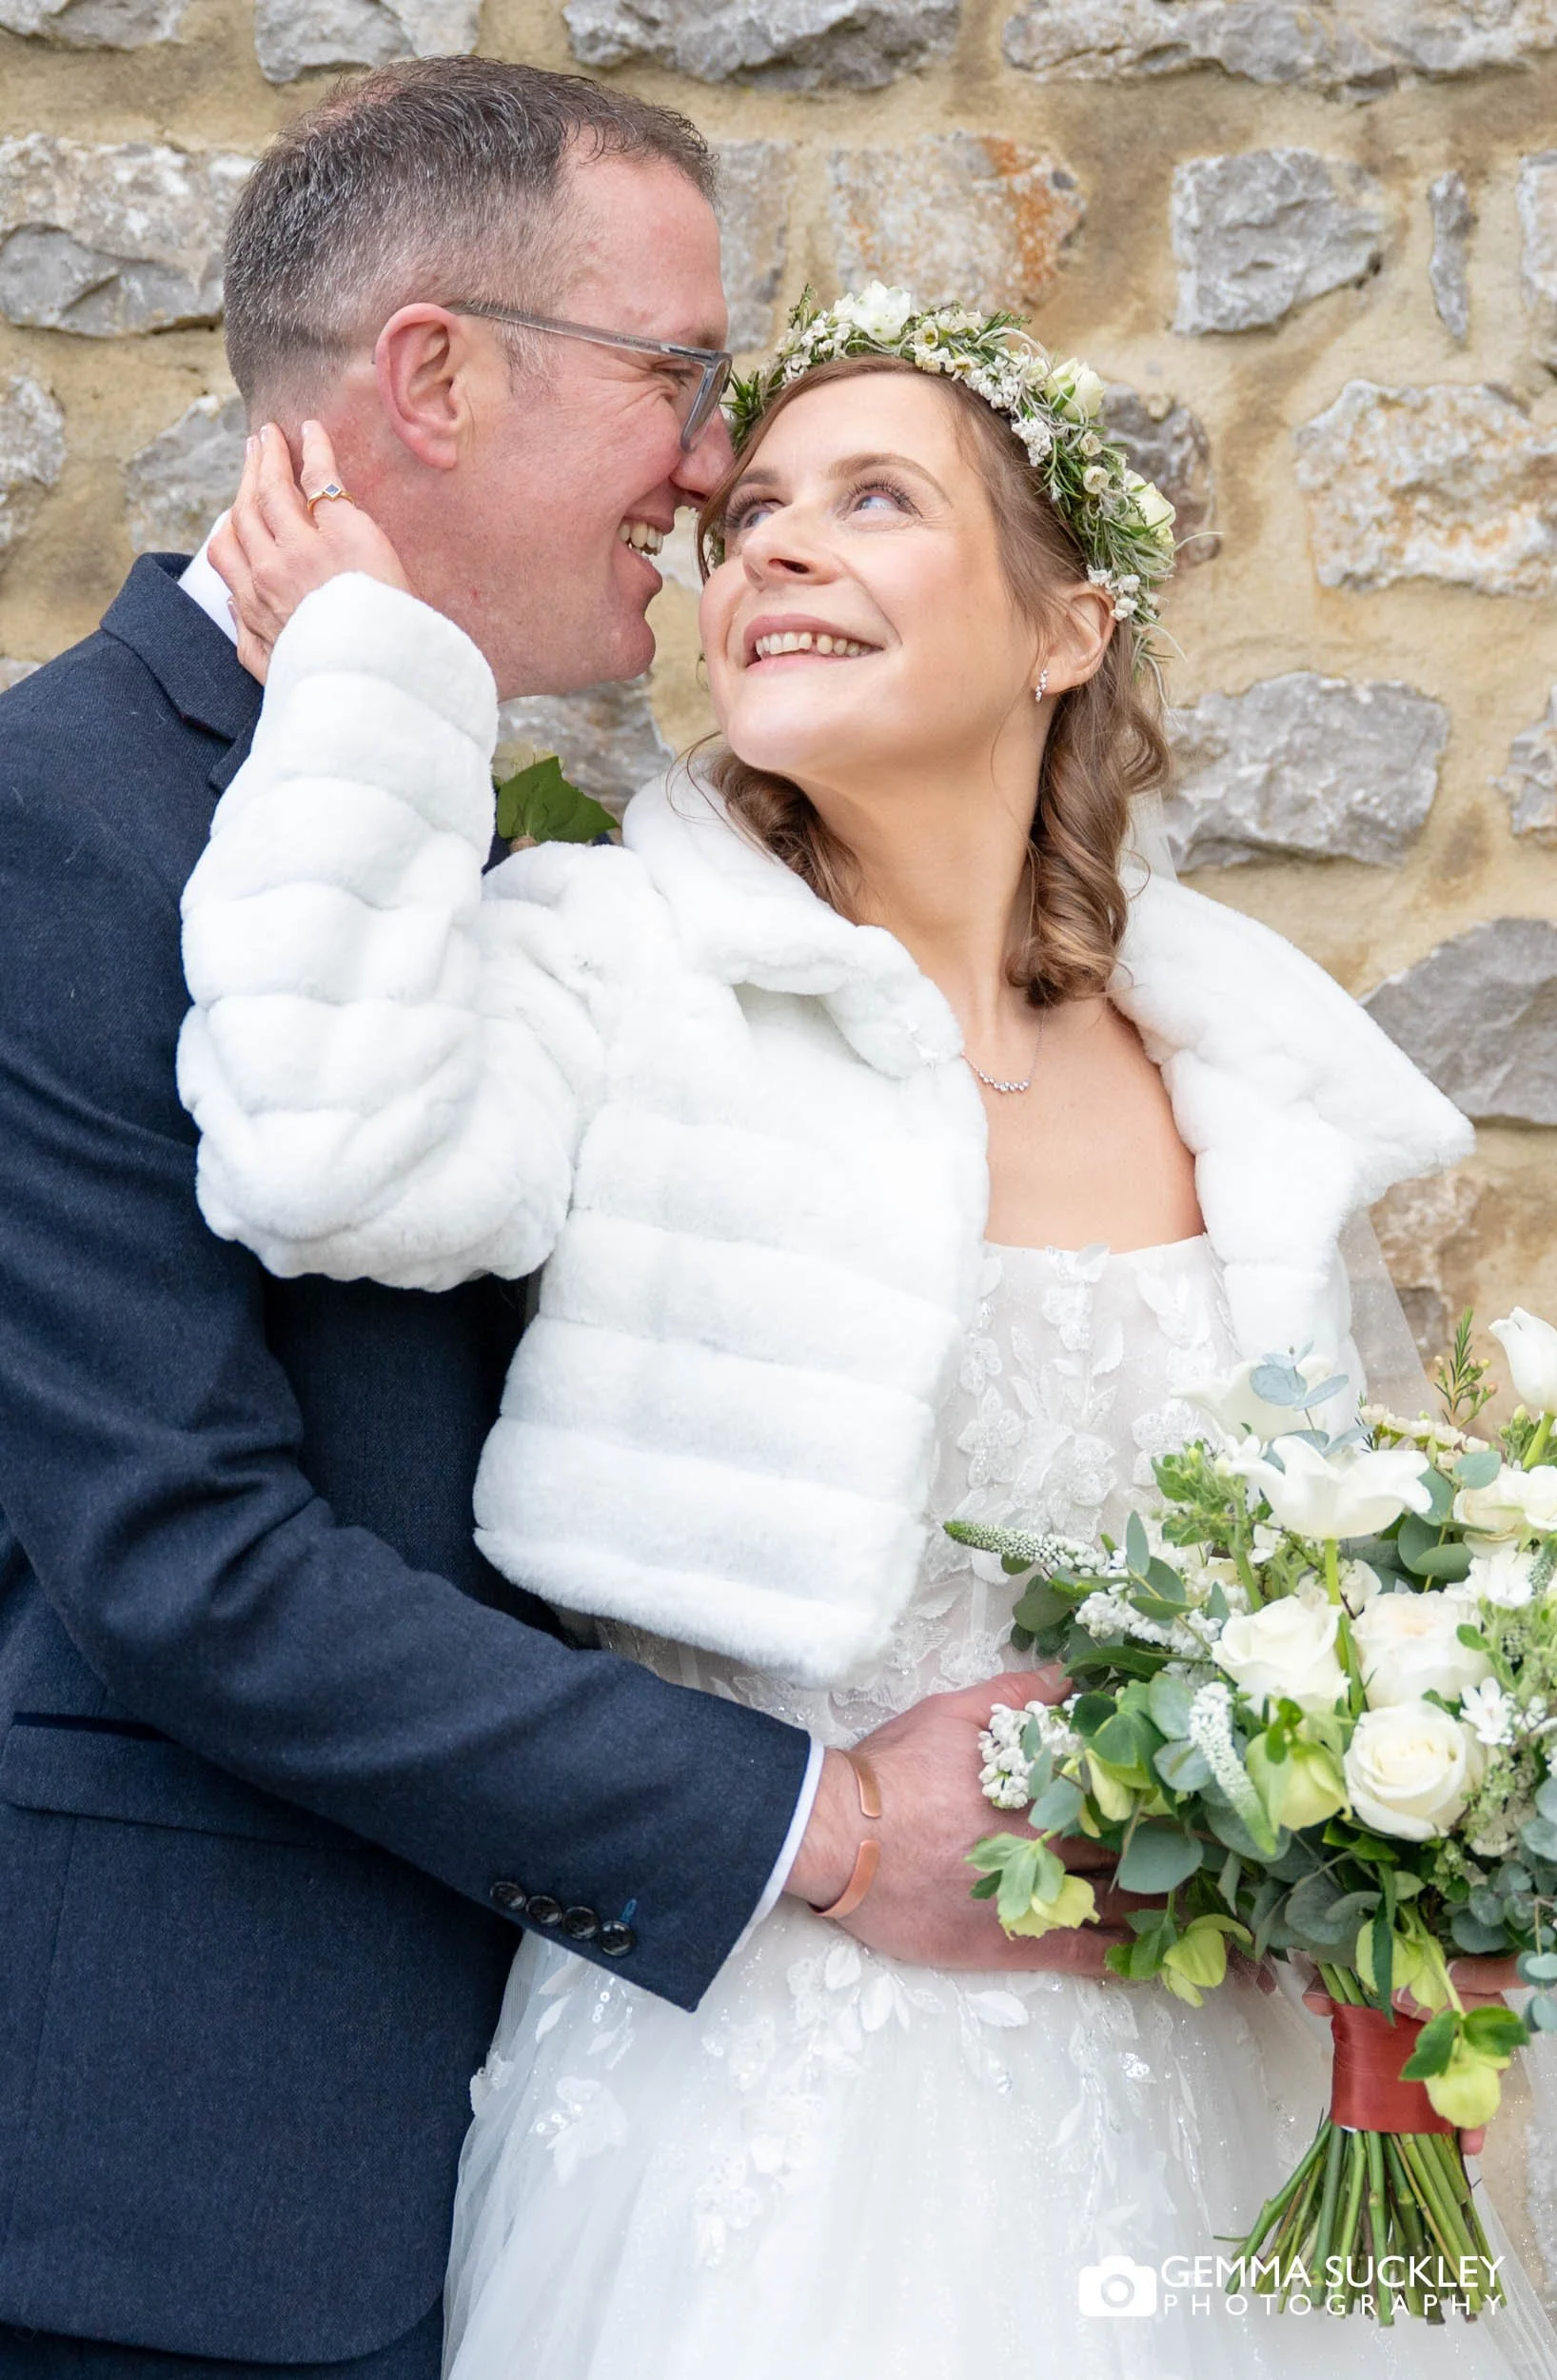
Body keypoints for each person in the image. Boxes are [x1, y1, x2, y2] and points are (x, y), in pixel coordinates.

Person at [184, 288, 1557, 2380]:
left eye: (876, 498)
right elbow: (318, 1154)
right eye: (748, 515)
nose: (774, 548)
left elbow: (1359, 1565)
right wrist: (377, 681)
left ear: (1064, 628)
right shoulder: (622, 955)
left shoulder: (1232, 1054)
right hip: (779, 2074)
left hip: (1228, 2061)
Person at [0, 69, 1114, 2380]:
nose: (711, 469)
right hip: (185, 2168)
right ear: (436, 371)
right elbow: (192, 1555)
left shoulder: (508, 850)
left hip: (558, 2124)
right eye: (682, 379)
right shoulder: (60, 821)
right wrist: (818, 1826)